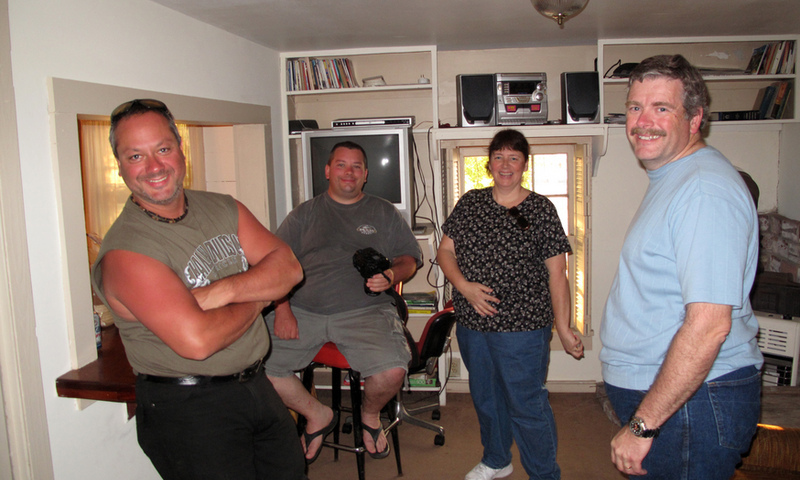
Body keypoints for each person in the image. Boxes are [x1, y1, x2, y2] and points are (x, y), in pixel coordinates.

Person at [91, 99, 306, 480]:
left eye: (162, 149)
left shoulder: (222, 207)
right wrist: (262, 292)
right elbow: (199, 341)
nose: (154, 167)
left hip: (256, 386)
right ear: (119, 166)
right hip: (189, 409)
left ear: (180, 148)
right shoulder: (127, 252)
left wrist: (224, 291)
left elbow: (289, 267)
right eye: (135, 156)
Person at [599, 54, 763, 479]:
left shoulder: (704, 190)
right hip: (679, 400)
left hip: (693, 405)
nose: (643, 122)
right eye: (635, 107)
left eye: (661, 108)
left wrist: (642, 425)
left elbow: (709, 325)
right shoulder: (675, 177)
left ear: (695, 118)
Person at [437, 129, 584, 480]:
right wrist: (464, 288)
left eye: (514, 158)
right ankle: (496, 459)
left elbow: (558, 273)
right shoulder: (470, 203)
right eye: (499, 157)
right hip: (473, 324)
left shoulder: (541, 209)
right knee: (486, 398)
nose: (505, 165)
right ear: (489, 163)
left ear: (524, 165)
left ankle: (544, 474)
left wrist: (564, 327)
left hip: (523, 327)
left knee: (526, 403)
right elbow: (444, 251)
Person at [264, 141, 422, 464]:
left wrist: (391, 274)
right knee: (253, 364)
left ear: (365, 174)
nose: (348, 172)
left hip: (366, 311)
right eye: (341, 165)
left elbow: (410, 259)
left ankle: (369, 414)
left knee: (393, 370)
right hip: (303, 310)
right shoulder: (303, 214)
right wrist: (282, 307)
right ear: (327, 171)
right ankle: (317, 414)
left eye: (356, 167)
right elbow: (274, 265)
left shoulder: (383, 212)